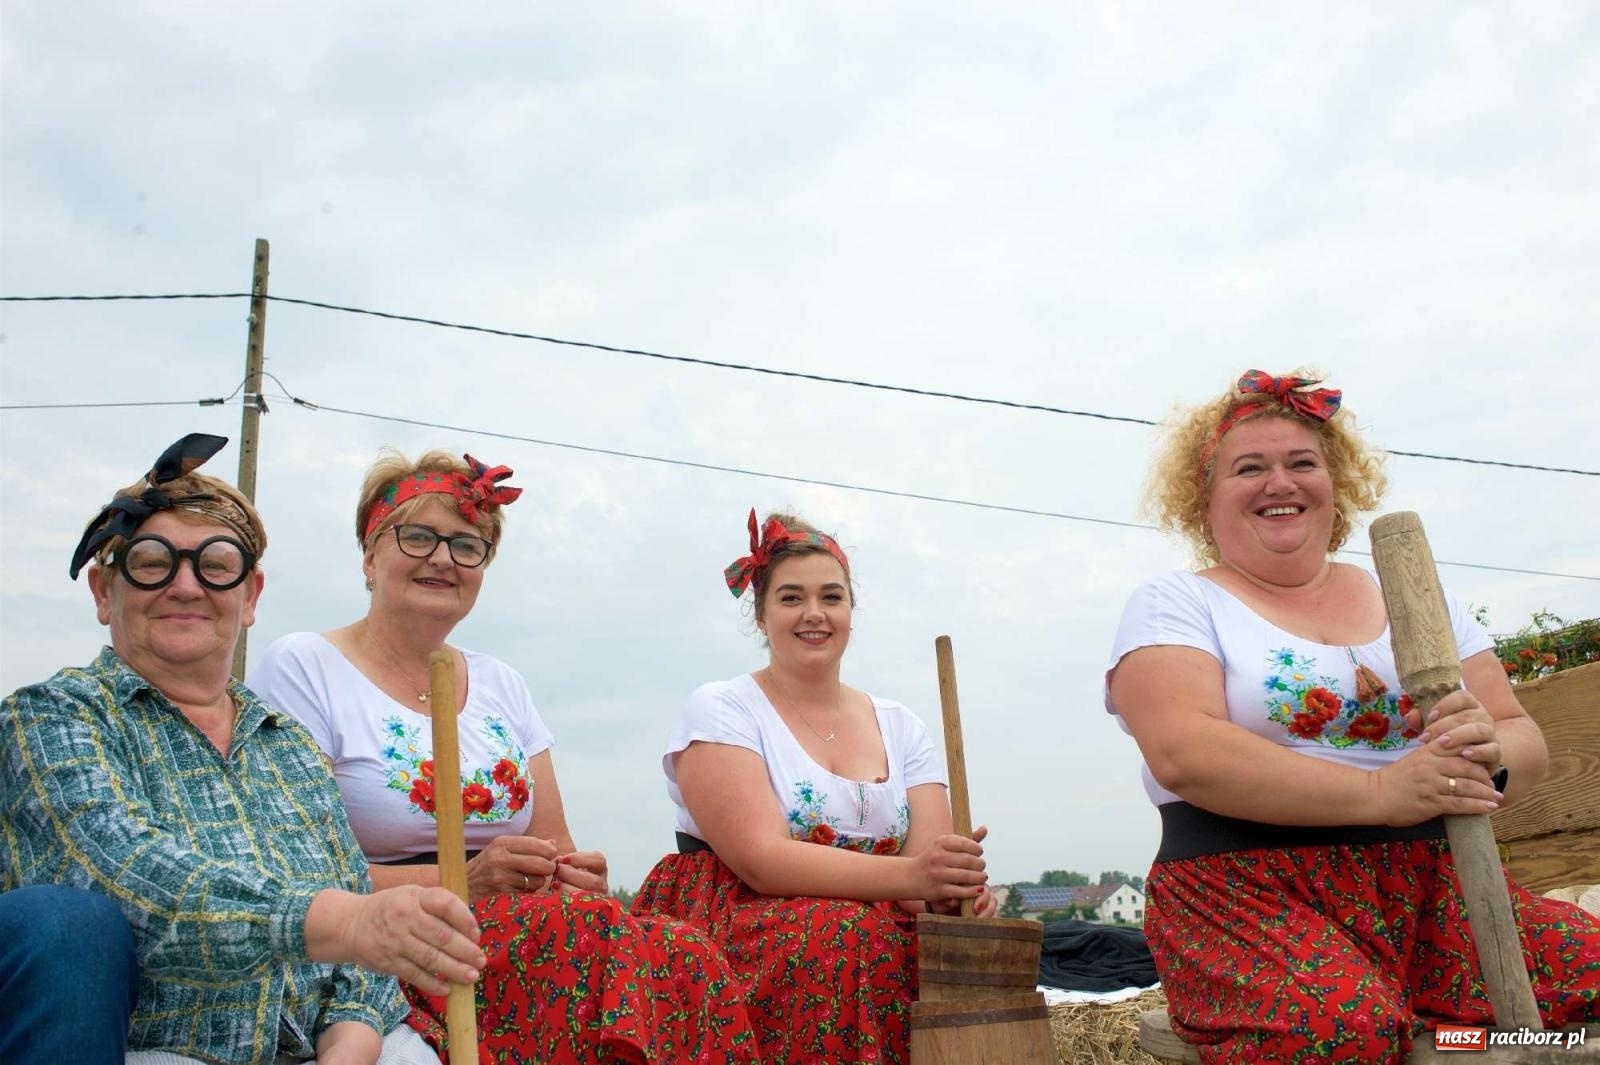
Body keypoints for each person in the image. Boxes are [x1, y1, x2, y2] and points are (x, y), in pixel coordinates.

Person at [1106, 370, 1600, 1062]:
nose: (1280, 482)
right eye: (1250, 468)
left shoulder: (1418, 600)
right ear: (1203, 495)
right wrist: (1380, 791)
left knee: (1561, 999)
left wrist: (1487, 753)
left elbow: (1523, 737)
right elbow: (1185, 753)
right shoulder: (1176, 604)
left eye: (1302, 463)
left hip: (1439, 885)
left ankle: (1455, 1040)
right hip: (1248, 889)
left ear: (1335, 484)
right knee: (1345, 1028)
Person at [248, 448, 757, 1065]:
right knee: (579, 943)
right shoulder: (305, 666)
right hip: (388, 945)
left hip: (526, 931)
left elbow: (555, 844)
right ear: (369, 555)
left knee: (685, 954)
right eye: (418, 537)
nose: (443, 557)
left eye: (467, 545)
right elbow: (292, 879)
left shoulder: (500, 684)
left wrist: (573, 876)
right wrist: (463, 883)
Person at [0, 433, 483, 1065]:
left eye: (216, 564)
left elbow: (359, 941)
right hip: (165, 1049)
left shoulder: (290, 746)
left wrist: (351, 1041)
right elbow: (130, 877)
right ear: (101, 592)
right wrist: (344, 923)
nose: (185, 586)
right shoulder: (53, 718)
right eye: (151, 563)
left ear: (250, 596)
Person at [632, 508, 998, 1065]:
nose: (814, 614)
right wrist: (914, 876)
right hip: (743, 916)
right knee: (845, 937)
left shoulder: (901, 725)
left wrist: (946, 890)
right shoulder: (723, 708)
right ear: (761, 615)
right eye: (791, 598)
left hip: (872, 922)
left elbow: (920, 874)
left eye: (831, 597)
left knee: (937, 950)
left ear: (851, 610)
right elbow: (761, 859)